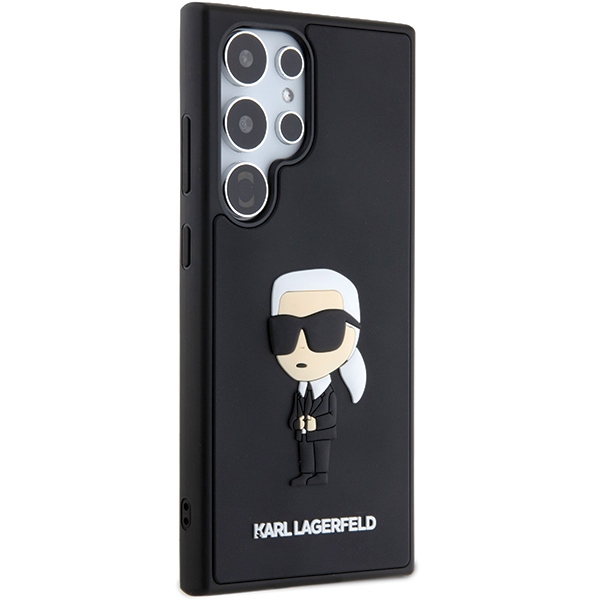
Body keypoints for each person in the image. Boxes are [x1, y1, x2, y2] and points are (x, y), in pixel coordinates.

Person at [268, 268, 367, 486]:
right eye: (286, 331)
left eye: (326, 330)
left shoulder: (328, 392)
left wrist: (316, 422)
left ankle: (320, 474)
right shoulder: (301, 391)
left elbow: (331, 416)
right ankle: (306, 474)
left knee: (320, 452)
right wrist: (296, 422)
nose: (302, 345)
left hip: (321, 433)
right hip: (303, 433)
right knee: (305, 451)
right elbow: (294, 413)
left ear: (352, 336)